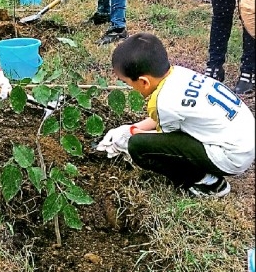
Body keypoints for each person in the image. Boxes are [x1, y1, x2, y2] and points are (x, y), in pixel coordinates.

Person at [97, 33, 255, 197]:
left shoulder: (161, 102)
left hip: (232, 157)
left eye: (127, 82)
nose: (129, 87)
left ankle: (209, 183)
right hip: (245, 139)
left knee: (138, 147)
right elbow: (169, 117)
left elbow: (161, 141)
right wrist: (131, 128)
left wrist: (125, 140)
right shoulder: (178, 73)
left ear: (144, 82)